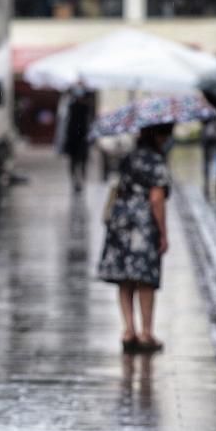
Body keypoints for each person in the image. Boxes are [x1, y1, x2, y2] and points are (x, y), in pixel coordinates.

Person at [97, 122, 173, 353]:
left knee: (125, 277)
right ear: (160, 136)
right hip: (143, 222)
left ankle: (128, 329)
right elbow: (156, 199)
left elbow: (119, 186)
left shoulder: (128, 157)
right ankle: (146, 332)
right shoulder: (157, 162)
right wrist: (163, 232)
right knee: (144, 278)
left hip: (120, 219)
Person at [56, 81, 93, 192]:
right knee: (75, 161)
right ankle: (76, 181)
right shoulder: (73, 107)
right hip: (75, 138)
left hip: (81, 138)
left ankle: (80, 181)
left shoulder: (85, 107)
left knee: (80, 162)